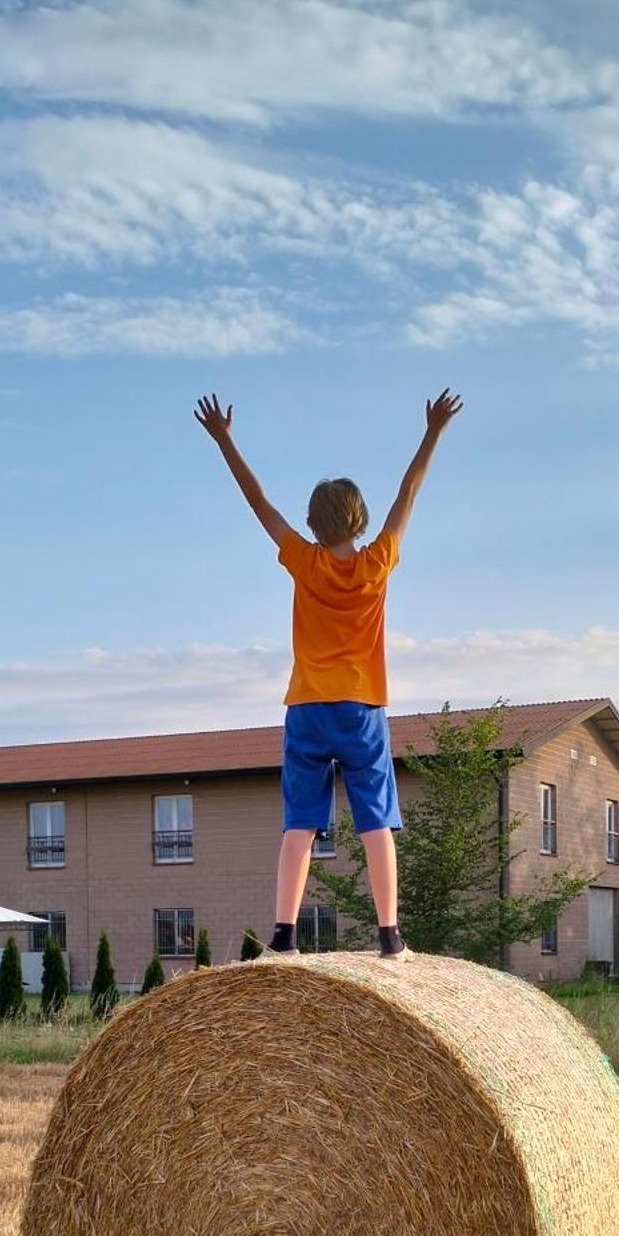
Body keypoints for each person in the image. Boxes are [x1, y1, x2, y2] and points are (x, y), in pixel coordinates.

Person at [194, 388, 463, 961]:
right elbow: (408, 492)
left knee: (300, 823)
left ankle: (283, 937)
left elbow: (259, 502)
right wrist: (433, 430)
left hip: (308, 707)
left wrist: (225, 442)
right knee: (376, 823)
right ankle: (390, 938)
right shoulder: (378, 560)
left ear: (313, 525)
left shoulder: (303, 559)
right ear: (359, 520)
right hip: (362, 707)